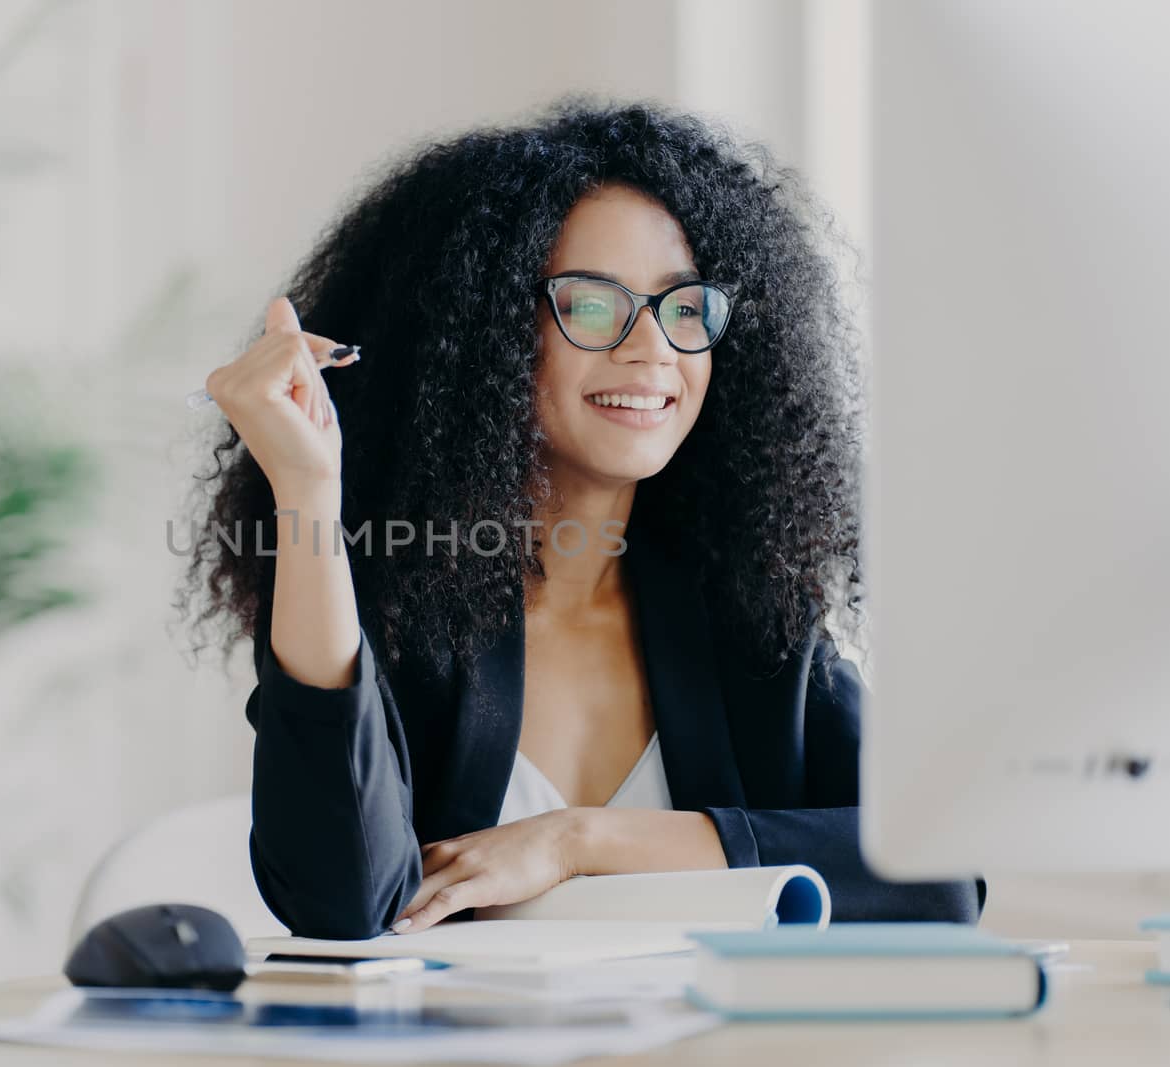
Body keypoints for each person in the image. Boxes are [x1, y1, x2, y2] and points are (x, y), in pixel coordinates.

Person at [181, 98, 984, 940]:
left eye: (683, 309)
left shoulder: (749, 615)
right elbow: (338, 900)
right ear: (482, 330)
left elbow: (939, 873)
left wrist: (579, 841)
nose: (653, 351)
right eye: (592, 304)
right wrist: (307, 492)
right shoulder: (385, 603)